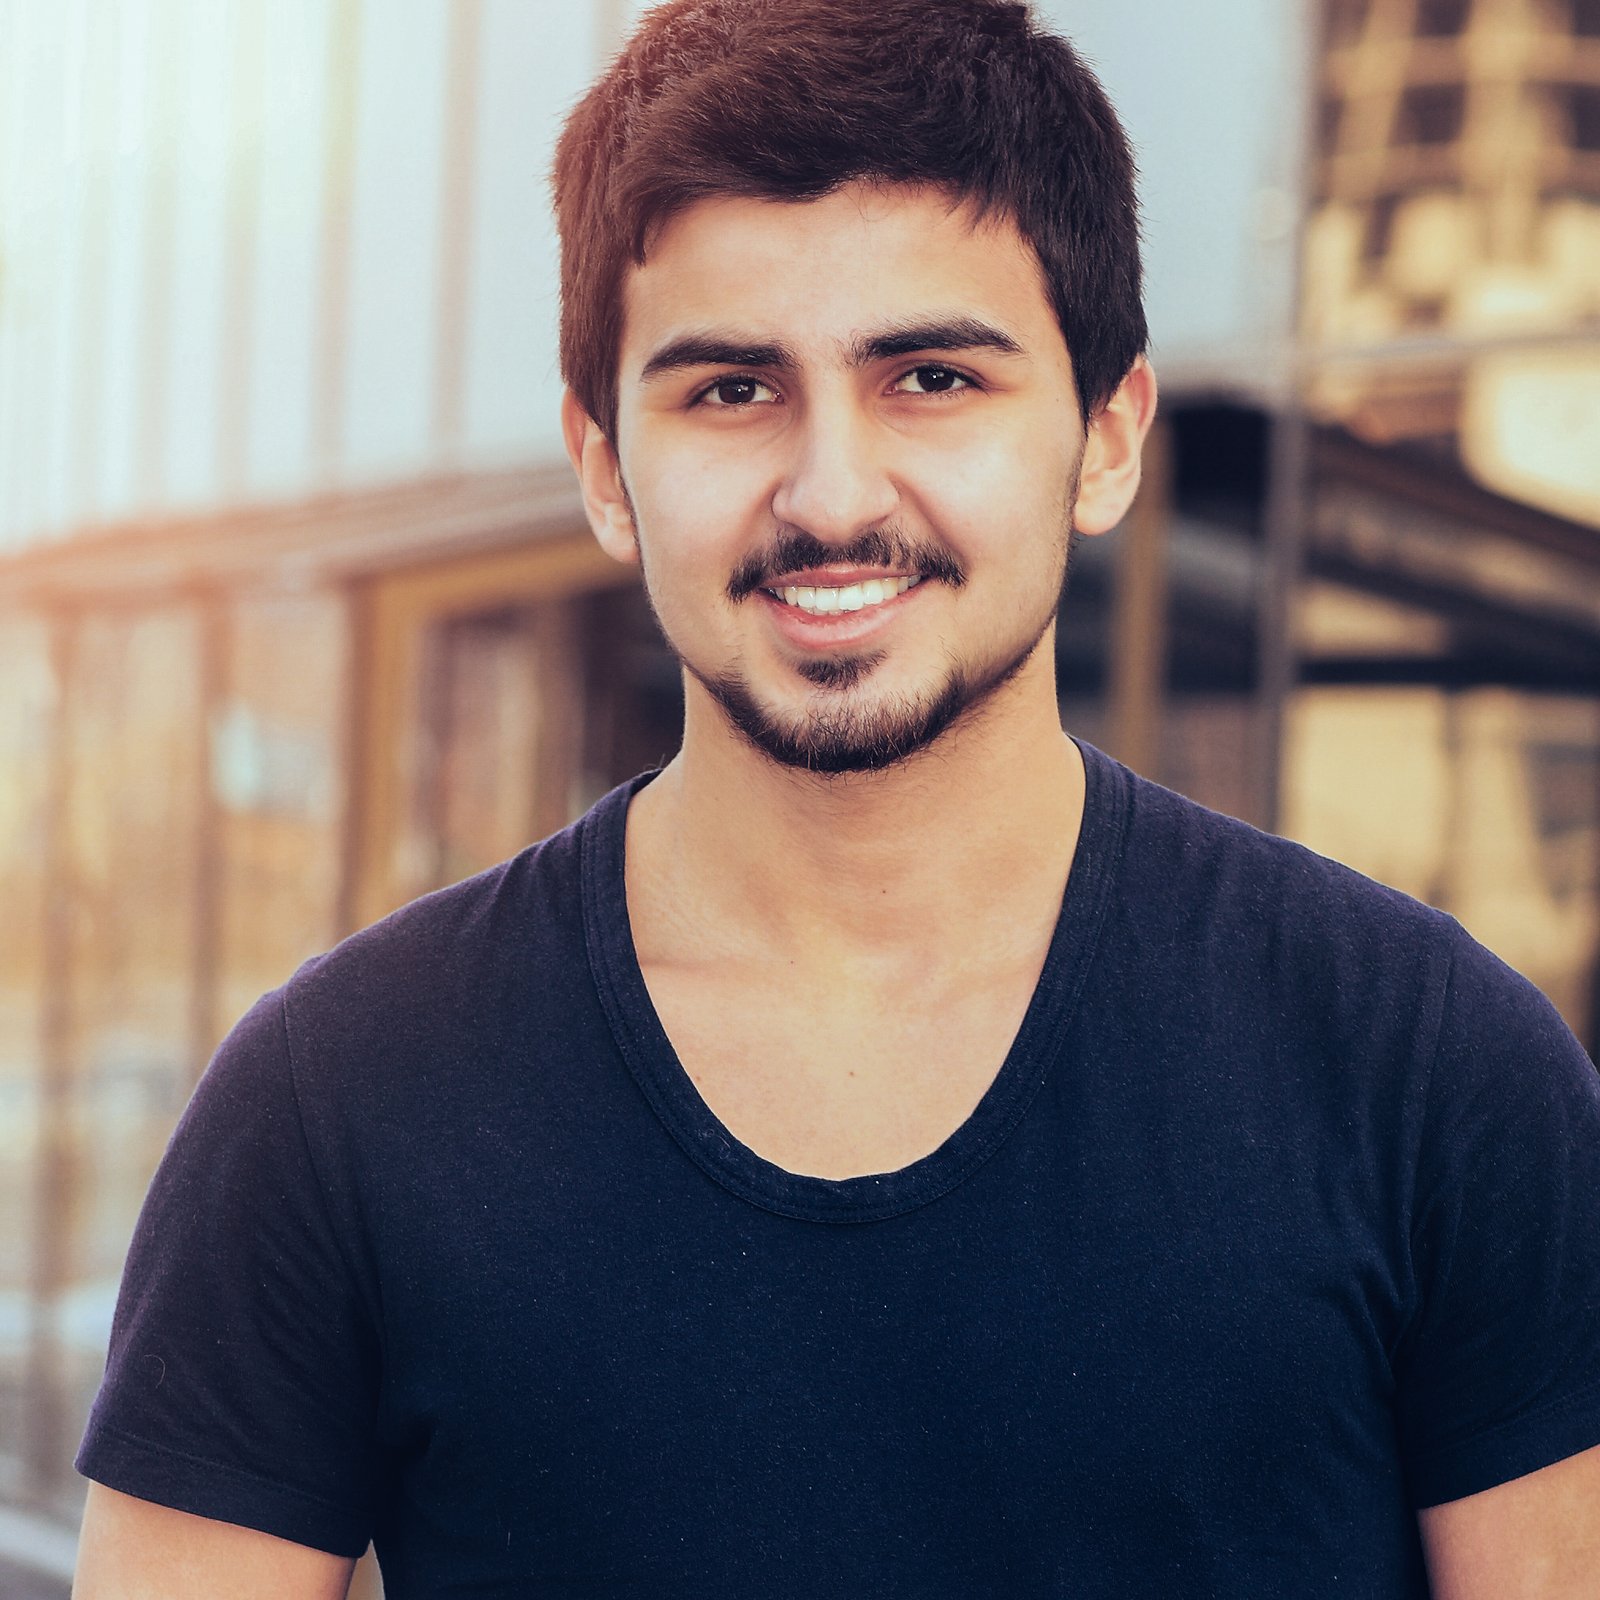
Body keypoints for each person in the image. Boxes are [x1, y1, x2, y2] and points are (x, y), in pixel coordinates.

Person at [73, 0, 1600, 1594]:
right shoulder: (337, 1099)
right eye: (731, 391)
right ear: (605, 467)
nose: (831, 495)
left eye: (931, 376)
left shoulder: (1433, 1074)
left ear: (1105, 438)